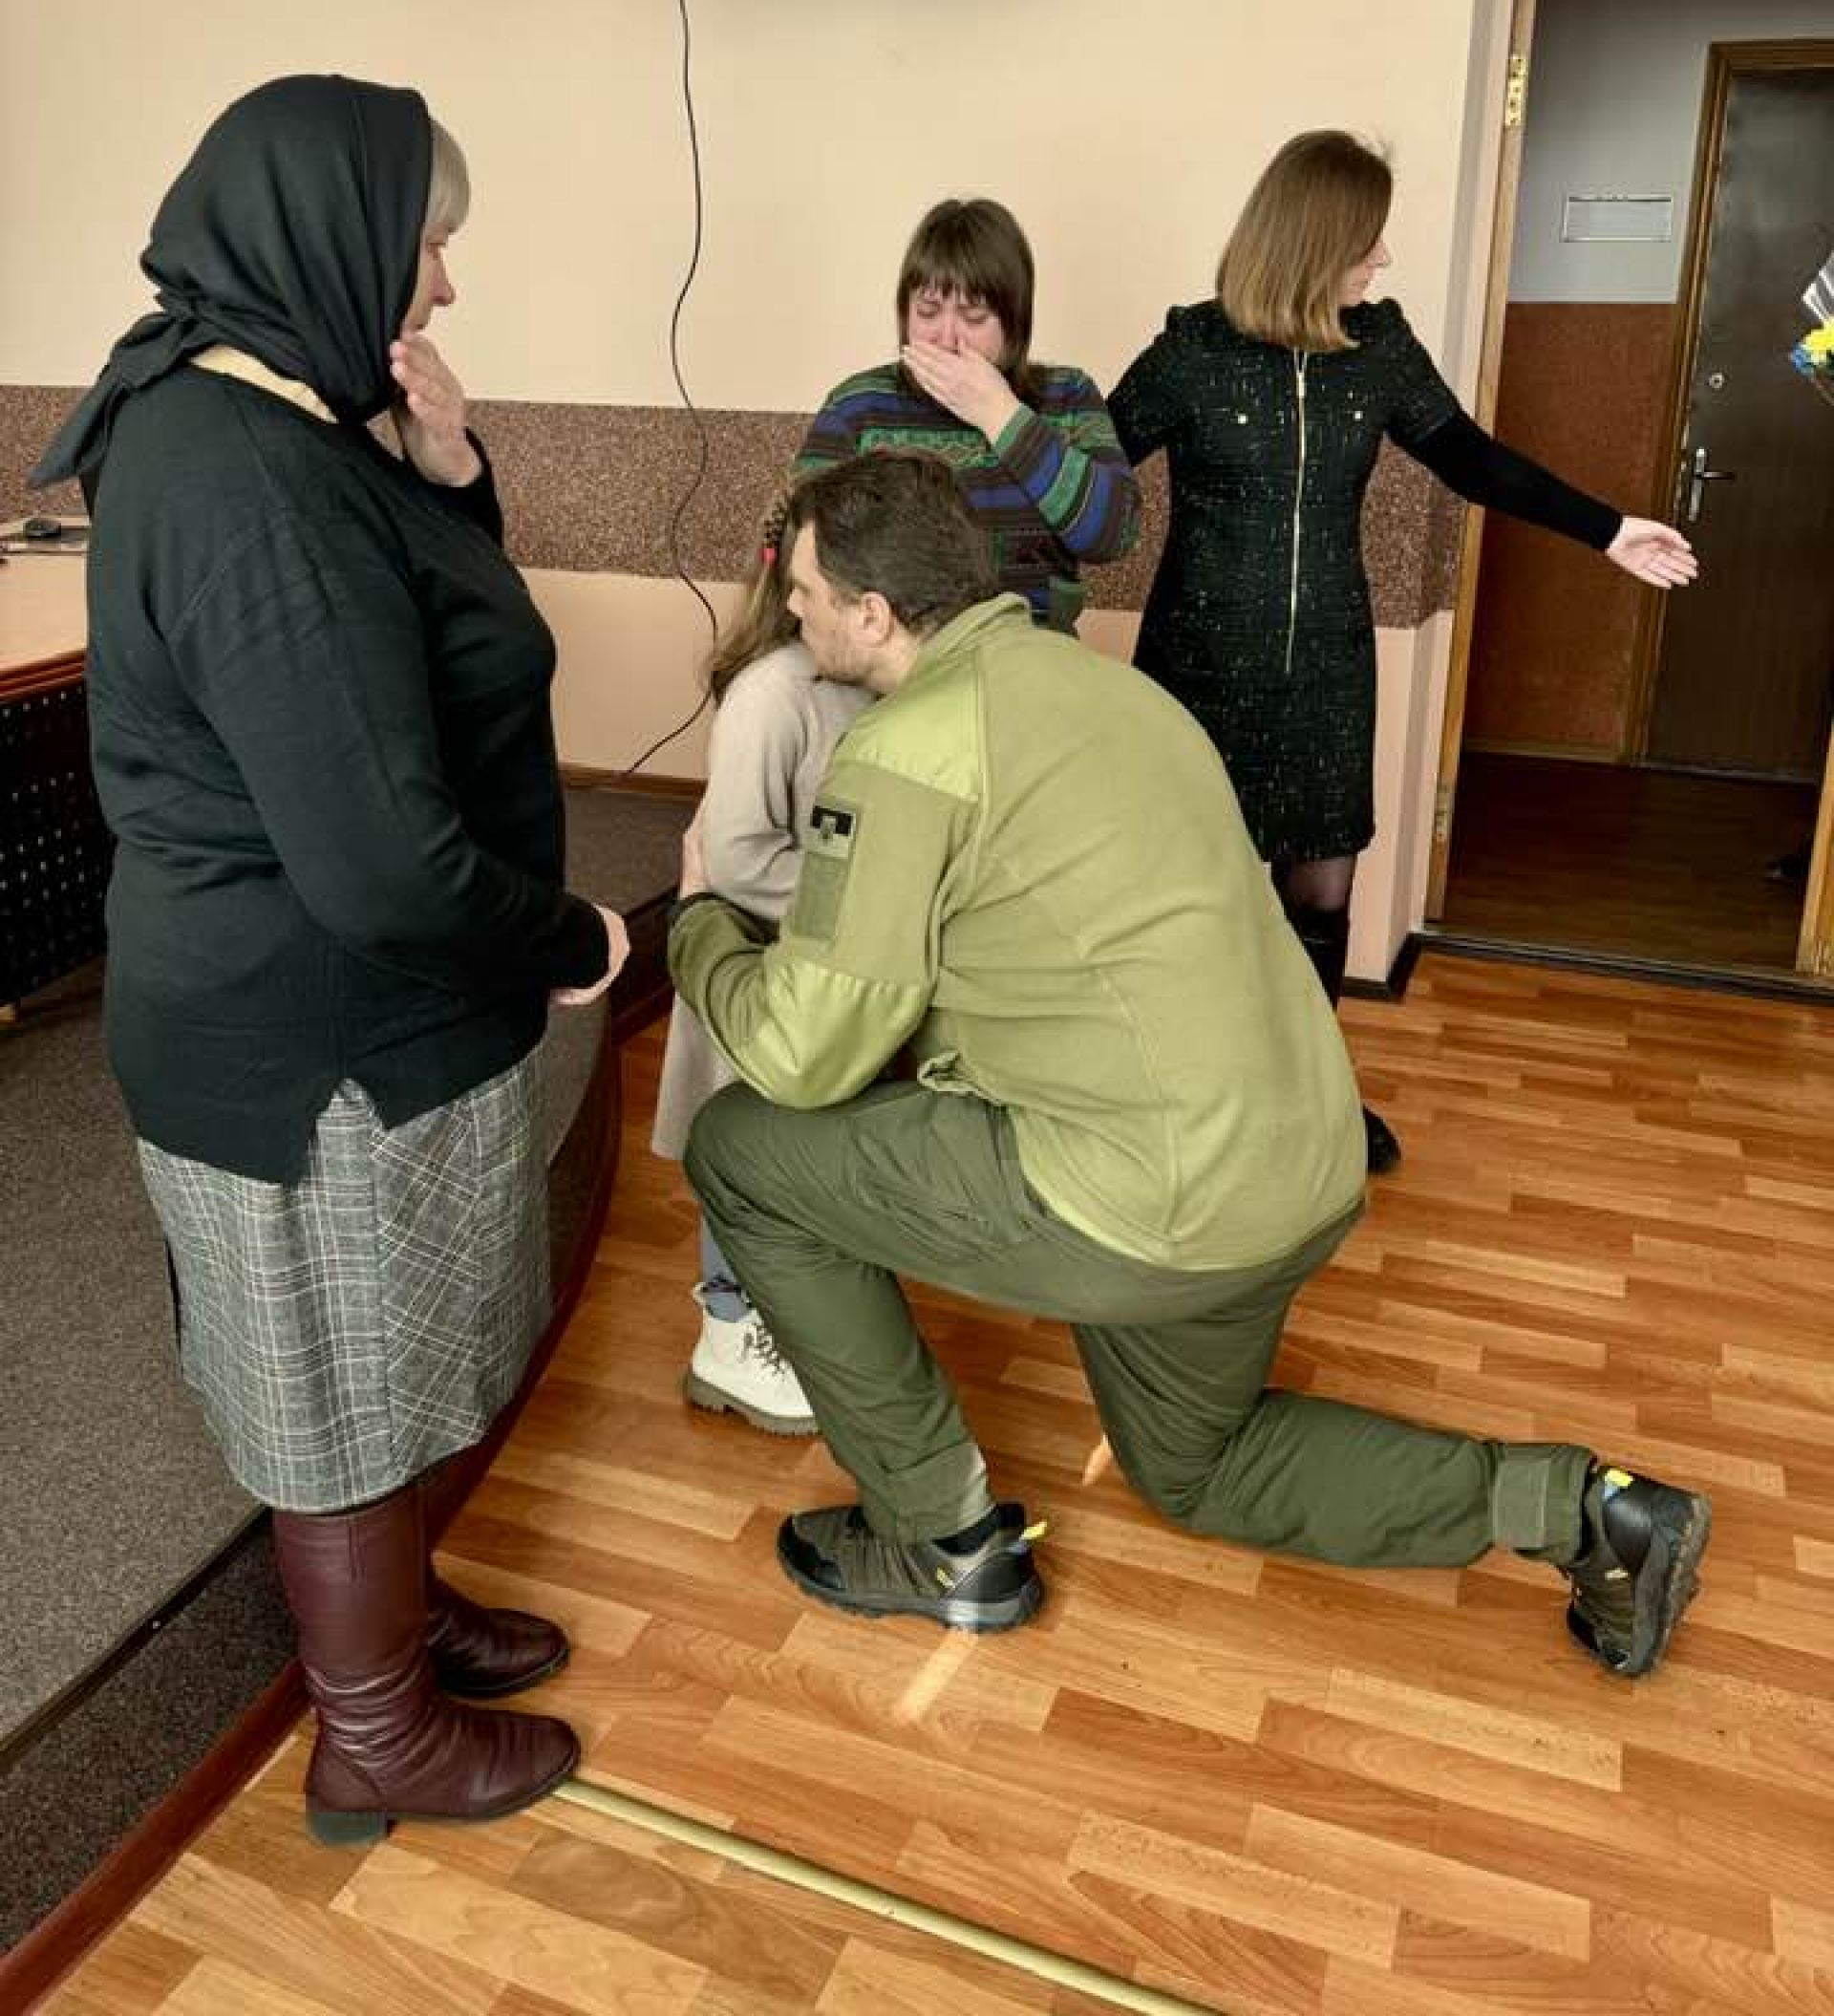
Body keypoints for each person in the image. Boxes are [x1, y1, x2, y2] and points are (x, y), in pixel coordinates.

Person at [668, 452, 1711, 1680]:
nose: (789, 611)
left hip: (1151, 1194)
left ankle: (939, 1539)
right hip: (1296, 1163)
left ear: (874, 614)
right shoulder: (1114, 691)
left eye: (802, 592)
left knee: (743, 1150)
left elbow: (802, 1054)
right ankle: (1589, 1514)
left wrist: (698, 924)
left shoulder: (908, 749)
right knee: (1196, 1467)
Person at [32, 75, 629, 1844]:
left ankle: (395, 1626)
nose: (442, 282)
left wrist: (451, 472)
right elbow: (382, 864)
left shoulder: (286, 418)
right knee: (342, 1400)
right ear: (328, 233)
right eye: (426, 242)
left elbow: (445, 646)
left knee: (385, 1369)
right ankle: (375, 1737)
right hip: (307, 1041)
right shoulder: (244, 477)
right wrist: (572, 932)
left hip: (340, 1011)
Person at [1107, 132, 1697, 1173]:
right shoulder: (1191, 351)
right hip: (1197, 671)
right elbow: (1084, 473)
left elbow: (1469, 457)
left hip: (1328, 671)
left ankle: (1304, 1100)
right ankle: (1184, 1099)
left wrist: (1608, 529)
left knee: (1320, 897)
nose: (1381, 259)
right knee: (1192, 898)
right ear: (1312, 240)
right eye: (1367, 240)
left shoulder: (1377, 348)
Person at [650, 489, 869, 1433]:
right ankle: (730, 1331)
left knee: (799, 1160)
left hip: (819, 982)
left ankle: (790, 1318)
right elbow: (737, 860)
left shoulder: (869, 681)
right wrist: (868, 907)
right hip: (751, 972)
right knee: (741, 1154)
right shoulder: (772, 693)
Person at [793, 196, 1139, 630]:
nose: (946, 338)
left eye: (973, 317)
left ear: (1014, 323)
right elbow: (801, 548)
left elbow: (1113, 535)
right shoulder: (858, 406)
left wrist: (1000, 414)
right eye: (927, 312)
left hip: (1028, 648)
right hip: (891, 652)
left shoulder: (1067, 396)